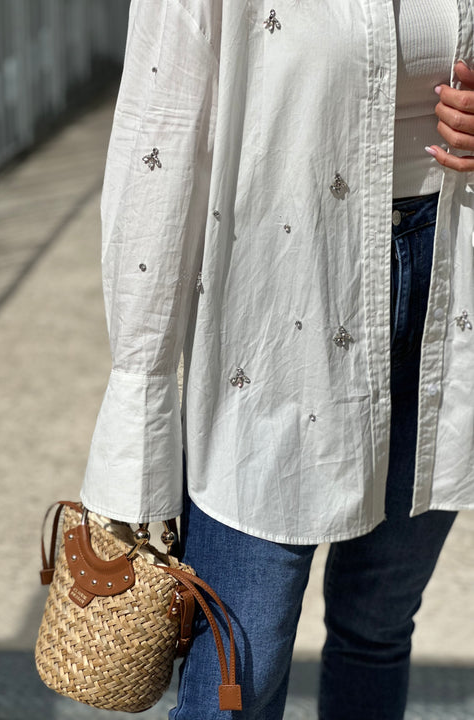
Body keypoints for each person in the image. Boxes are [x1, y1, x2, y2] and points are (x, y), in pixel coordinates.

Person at [81, 1, 474, 718]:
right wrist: (136, 405)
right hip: (276, 310)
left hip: (446, 279)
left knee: (378, 630)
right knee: (243, 653)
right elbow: (157, 134)